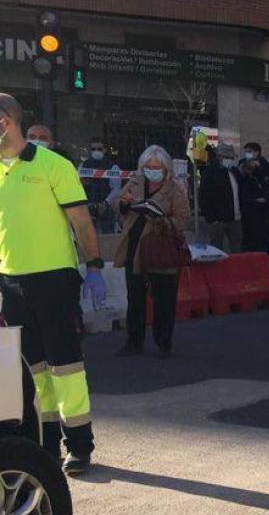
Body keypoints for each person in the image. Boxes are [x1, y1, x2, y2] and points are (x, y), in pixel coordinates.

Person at [0, 95, 107, 475]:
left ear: (5, 122)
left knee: (66, 366)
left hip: (54, 280)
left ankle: (79, 444)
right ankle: (44, 446)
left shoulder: (53, 166)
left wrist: (93, 266)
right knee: (34, 370)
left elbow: (81, 222)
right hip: (11, 282)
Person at [112, 145, 191, 359]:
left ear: (166, 169)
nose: (152, 171)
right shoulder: (135, 183)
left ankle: (164, 341)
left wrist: (162, 219)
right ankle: (133, 341)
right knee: (135, 296)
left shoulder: (175, 190)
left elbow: (183, 219)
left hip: (160, 248)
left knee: (164, 298)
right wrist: (125, 204)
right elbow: (119, 205)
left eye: (157, 167)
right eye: (148, 167)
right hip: (135, 246)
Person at [239, 157, 269, 294]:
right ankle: (261, 281)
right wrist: (262, 201)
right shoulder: (246, 182)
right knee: (257, 251)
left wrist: (267, 200)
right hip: (255, 223)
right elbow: (247, 201)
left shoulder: (264, 180)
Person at [198, 143, 244, 252]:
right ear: (219, 157)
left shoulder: (234, 172)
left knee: (237, 250)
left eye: (231, 157)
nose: (229, 160)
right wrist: (211, 218)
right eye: (227, 157)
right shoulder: (210, 172)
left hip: (235, 219)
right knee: (217, 250)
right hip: (218, 220)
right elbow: (204, 195)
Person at [81, 137, 118, 234]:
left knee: (108, 239)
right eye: (93, 149)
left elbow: (116, 189)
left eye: (99, 149)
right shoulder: (83, 166)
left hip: (106, 209)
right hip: (87, 208)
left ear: (105, 150)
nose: (96, 151)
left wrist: (105, 203)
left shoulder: (113, 167)